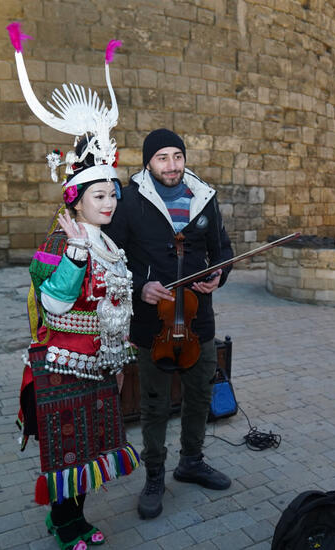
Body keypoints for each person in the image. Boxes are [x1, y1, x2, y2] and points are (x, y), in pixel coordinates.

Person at [8, 23, 139, 549]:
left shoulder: (109, 243)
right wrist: (77, 254)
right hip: (64, 365)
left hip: (100, 364)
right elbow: (55, 302)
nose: (109, 202)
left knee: (90, 450)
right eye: (98, 195)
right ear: (76, 201)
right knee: (68, 454)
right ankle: (65, 525)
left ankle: (75, 519)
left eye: (112, 194)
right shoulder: (70, 243)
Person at [105, 128, 234, 519]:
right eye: (163, 158)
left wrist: (219, 275)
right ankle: (155, 475)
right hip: (152, 322)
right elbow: (112, 258)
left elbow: (222, 249)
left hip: (198, 319)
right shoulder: (129, 201)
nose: (172, 166)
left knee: (200, 393)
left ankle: (191, 461)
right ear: (149, 162)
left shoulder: (203, 197)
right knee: (155, 402)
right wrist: (140, 287)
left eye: (177, 156)